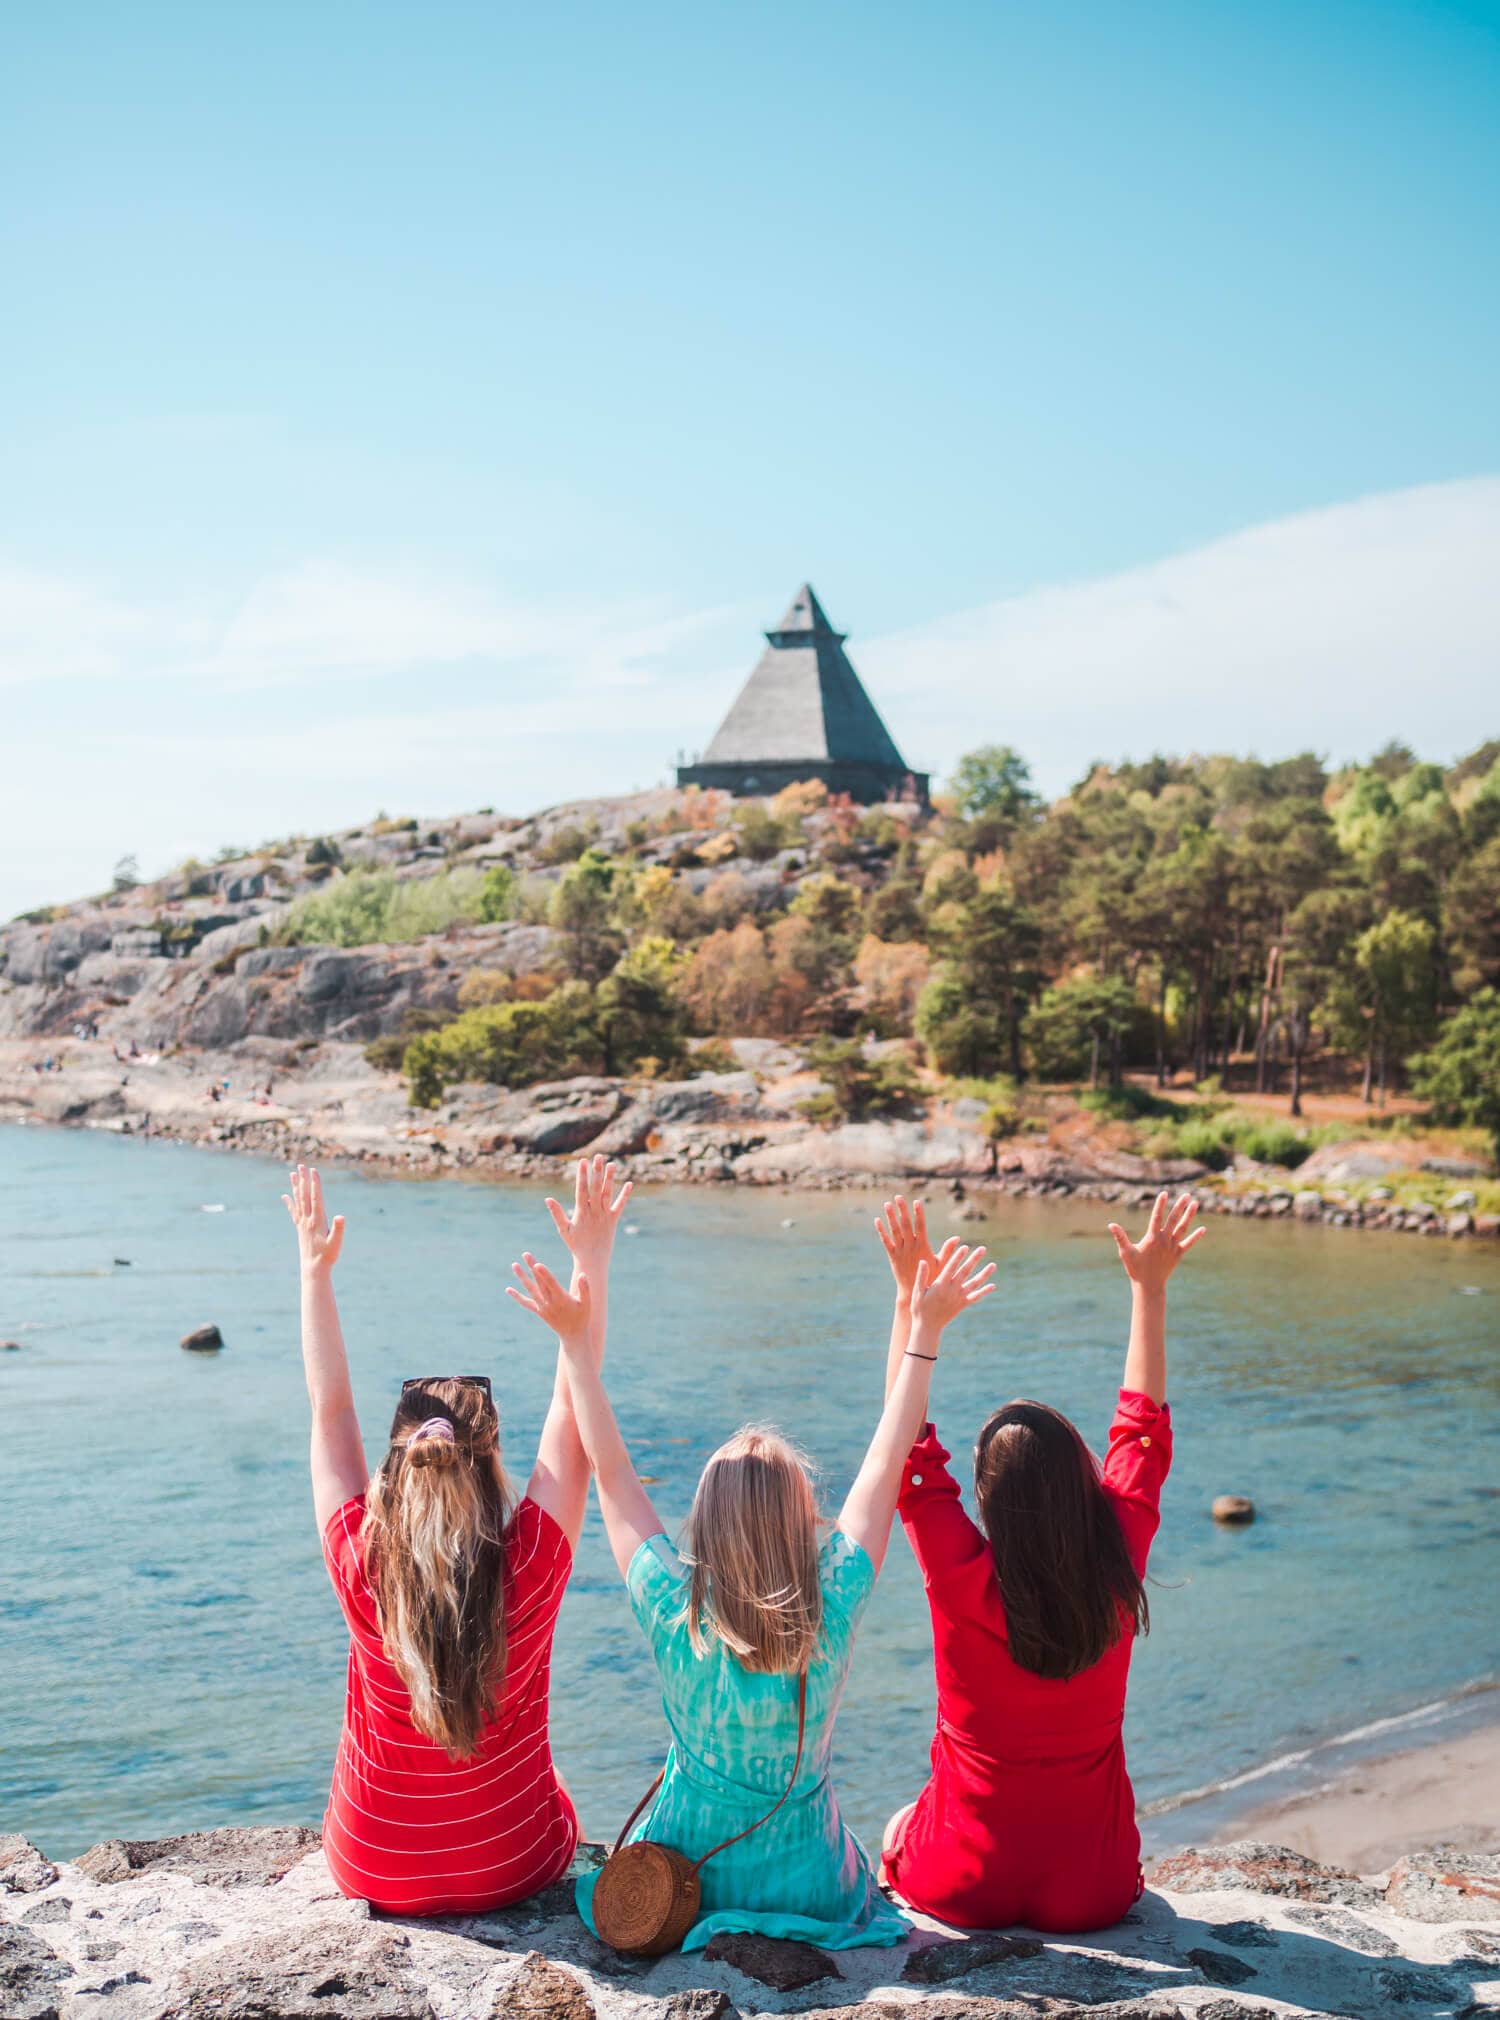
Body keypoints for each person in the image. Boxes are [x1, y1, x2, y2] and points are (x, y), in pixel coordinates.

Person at [506, 1227, 995, 1952]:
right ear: (802, 1524)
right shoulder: (835, 1596)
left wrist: (577, 1345)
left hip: (686, 1876)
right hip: (811, 1882)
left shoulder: (674, 1605)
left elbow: (610, 1472)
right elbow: (888, 1456)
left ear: (704, 1521)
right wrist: (918, 1325)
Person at [283, 1153, 632, 1916]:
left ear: (396, 1465)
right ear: (492, 1461)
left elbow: (329, 1410)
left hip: (370, 1865)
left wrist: (315, 1269)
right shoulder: (534, 1559)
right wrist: (589, 1264)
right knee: (558, 1783)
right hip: (513, 1865)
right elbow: (575, 1421)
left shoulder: (360, 1557)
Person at [878, 1191, 1202, 1934]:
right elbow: (1140, 1430)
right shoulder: (1118, 1555)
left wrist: (909, 1303)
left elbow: (903, 1450)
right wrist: (1148, 1289)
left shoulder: (959, 1571)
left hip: (959, 1883)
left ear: (989, 1504)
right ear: (1080, 1481)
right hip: (1095, 1889)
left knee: (899, 1824)